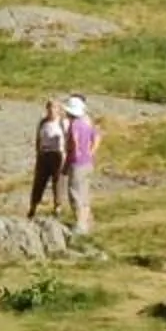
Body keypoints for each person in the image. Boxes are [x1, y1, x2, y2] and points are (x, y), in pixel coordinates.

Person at [63, 96, 100, 235]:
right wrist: (91, 152)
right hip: (88, 162)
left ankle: (80, 224)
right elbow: (97, 137)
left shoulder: (74, 125)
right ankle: (87, 222)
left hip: (77, 163)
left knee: (75, 192)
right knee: (84, 193)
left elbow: (73, 142)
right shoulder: (87, 123)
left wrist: (72, 156)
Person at [28, 99, 71, 221]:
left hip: (58, 154)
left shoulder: (63, 123)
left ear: (58, 110)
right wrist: (38, 152)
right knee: (39, 181)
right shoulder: (42, 122)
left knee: (58, 181)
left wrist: (65, 155)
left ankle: (57, 207)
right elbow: (38, 138)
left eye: (54, 108)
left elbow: (68, 139)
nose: (51, 111)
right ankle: (33, 207)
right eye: (49, 108)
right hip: (44, 153)